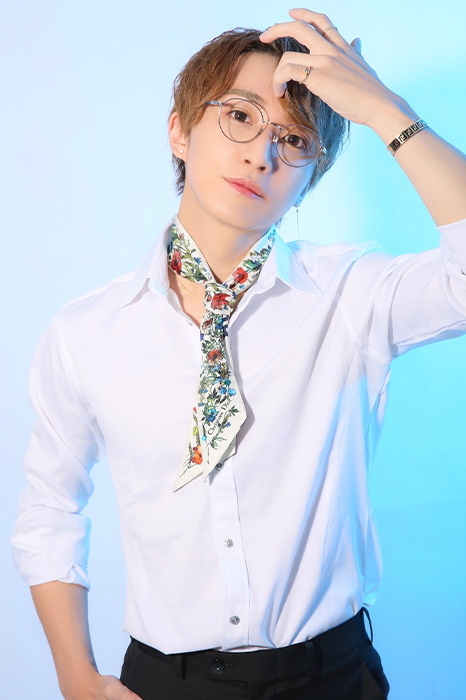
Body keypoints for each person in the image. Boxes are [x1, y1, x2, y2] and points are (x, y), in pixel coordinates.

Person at [11, 7, 466, 700]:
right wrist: (75, 677)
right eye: (241, 117)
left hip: (330, 679)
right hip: (166, 683)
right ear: (179, 130)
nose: (263, 155)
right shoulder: (87, 331)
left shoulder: (349, 294)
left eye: (295, 139)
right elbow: (50, 507)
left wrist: (383, 109)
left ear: (310, 177)